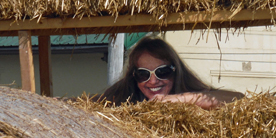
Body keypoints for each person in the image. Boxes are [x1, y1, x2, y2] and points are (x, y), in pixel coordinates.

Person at [99, 36, 244, 109]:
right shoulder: (120, 98)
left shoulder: (189, 94)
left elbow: (239, 99)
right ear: (134, 77)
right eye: (143, 74)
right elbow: (85, 105)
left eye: (162, 72)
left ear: (176, 71)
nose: (153, 81)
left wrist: (178, 99)